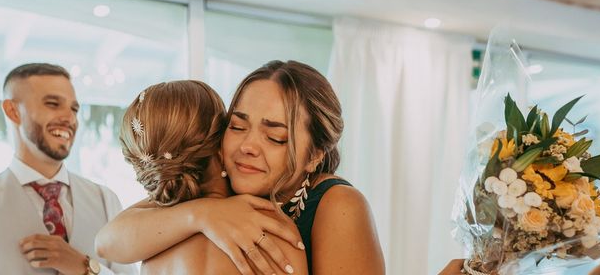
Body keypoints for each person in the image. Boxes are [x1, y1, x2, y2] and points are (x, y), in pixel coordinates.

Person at [97, 60, 386, 275]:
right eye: (237, 126)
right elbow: (108, 242)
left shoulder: (337, 204)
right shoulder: (223, 187)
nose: (248, 146)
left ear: (314, 156)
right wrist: (201, 215)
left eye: (276, 137)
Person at [117, 79, 308, 274]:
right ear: (219, 144)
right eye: (236, 127)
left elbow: (106, 241)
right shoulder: (277, 230)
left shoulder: (151, 243)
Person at [0, 63, 137, 275]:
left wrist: (87, 268)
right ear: (13, 111)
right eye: (53, 104)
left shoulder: (106, 200)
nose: (69, 118)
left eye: (74, 109)